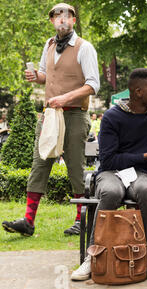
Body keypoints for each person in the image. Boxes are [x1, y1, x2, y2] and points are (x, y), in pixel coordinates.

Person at [71, 68, 147, 281]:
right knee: (110, 192)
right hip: (111, 172)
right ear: (138, 92)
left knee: (146, 191)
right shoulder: (112, 117)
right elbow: (109, 160)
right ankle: (92, 258)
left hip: (140, 173)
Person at [2, 3, 99, 237]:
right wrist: (36, 77)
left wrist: (65, 96)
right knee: (39, 163)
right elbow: (46, 76)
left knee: (75, 167)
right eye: (57, 17)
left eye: (66, 17)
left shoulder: (85, 48)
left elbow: (93, 84)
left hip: (75, 114)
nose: (62, 20)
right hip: (49, 115)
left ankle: (81, 220)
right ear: (52, 21)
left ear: (73, 21)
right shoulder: (48, 44)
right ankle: (28, 221)